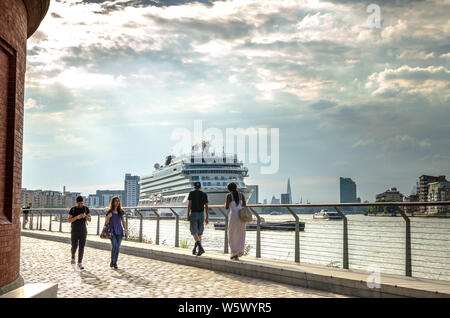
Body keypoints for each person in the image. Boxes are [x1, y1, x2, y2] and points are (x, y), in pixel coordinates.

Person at [225, 182, 247, 260]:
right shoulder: (242, 195)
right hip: (241, 217)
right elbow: (244, 205)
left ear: (229, 189)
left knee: (232, 234)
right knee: (241, 234)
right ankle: (239, 252)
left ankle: (234, 252)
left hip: (234, 217)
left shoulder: (229, 196)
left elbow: (227, 207)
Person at [68, 196, 91, 270]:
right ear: (76, 202)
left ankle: (79, 262)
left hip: (83, 230)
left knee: (82, 246)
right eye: (79, 203)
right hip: (74, 230)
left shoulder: (85, 209)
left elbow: (90, 219)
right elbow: (69, 220)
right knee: (74, 246)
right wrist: (77, 217)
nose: (80, 205)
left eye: (81, 203)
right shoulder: (73, 209)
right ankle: (73, 256)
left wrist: (85, 217)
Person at [104, 196, 127, 269]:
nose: (117, 202)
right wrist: (108, 217)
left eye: (118, 201)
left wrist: (125, 229)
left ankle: (114, 262)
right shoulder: (109, 212)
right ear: (113, 202)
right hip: (112, 232)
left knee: (117, 248)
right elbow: (106, 223)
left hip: (119, 231)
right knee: (115, 246)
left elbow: (123, 221)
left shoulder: (121, 211)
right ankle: (113, 261)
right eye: (116, 201)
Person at [186, 182, 208, 256]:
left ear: (194, 187)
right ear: (200, 187)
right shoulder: (204, 194)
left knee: (194, 232)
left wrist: (188, 214)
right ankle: (196, 249)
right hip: (202, 214)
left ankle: (200, 248)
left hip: (194, 213)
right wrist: (207, 217)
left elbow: (189, 205)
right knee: (199, 233)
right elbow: (207, 206)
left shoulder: (191, 193)